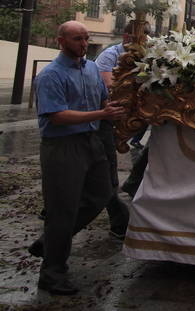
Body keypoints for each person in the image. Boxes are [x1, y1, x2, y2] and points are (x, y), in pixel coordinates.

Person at [28, 21, 126, 296]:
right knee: (63, 209)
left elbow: (100, 101)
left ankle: (50, 242)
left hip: (91, 141)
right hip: (62, 146)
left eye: (85, 39)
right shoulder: (50, 76)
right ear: (61, 41)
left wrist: (110, 108)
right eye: (76, 39)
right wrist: (101, 115)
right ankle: (52, 273)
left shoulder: (92, 68)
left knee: (102, 194)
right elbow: (57, 116)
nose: (83, 44)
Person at [94, 24, 139, 239]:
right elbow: (109, 86)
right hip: (106, 117)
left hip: (127, 114)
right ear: (126, 35)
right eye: (140, 33)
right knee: (103, 171)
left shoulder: (145, 55)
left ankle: (130, 189)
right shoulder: (109, 55)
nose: (144, 38)